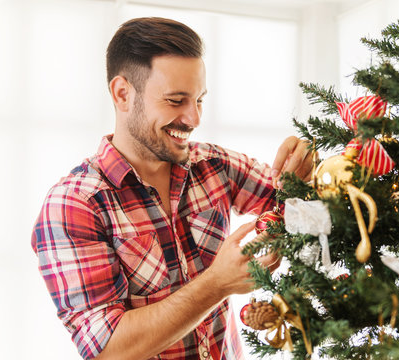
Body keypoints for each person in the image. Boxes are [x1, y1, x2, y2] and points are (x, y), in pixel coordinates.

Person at [31, 17, 312, 360]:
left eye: (199, 100)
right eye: (176, 100)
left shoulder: (213, 165)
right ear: (122, 94)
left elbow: (298, 205)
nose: (193, 119)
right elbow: (109, 349)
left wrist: (307, 174)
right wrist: (217, 284)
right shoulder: (74, 205)